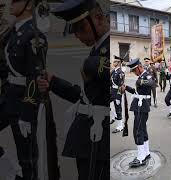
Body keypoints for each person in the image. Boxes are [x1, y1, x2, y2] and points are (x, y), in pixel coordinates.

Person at [38, 0, 109, 179]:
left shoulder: (106, 51)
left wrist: (92, 65)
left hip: (100, 144)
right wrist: (53, 82)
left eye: (80, 28)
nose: (76, 35)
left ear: (99, 19)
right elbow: (85, 98)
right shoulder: (97, 50)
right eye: (73, 30)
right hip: (90, 141)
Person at [0, 0, 49, 178]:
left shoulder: (35, 36)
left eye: (16, 1)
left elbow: (35, 76)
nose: (11, 3)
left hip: (23, 102)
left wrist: (27, 114)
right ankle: (11, 174)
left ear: (28, 5)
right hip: (8, 96)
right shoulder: (12, 31)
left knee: (27, 158)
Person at [121, 58, 155, 168]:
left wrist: (140, 81)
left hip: (142, 106)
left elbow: (152, 82)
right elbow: (137, 92)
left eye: (135, 70)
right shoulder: (141, 76)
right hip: (139, 106)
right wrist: (126, 88)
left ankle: (141, 157)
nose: (134, 73)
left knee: (138, 130)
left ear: (139, 67)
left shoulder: (147, 75)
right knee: (142, 130)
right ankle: (146, 152)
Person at [111, 56, 125, 133]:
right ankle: (114, 117)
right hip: (112, 91)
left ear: (119, 63)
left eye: (115, 61)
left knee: (118, 109)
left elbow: (121, 85)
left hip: (117, 92)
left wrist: (118, 96)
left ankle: (120, 126)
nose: (114, 63)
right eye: (114, 61)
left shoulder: (121, 73)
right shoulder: (113, 71)